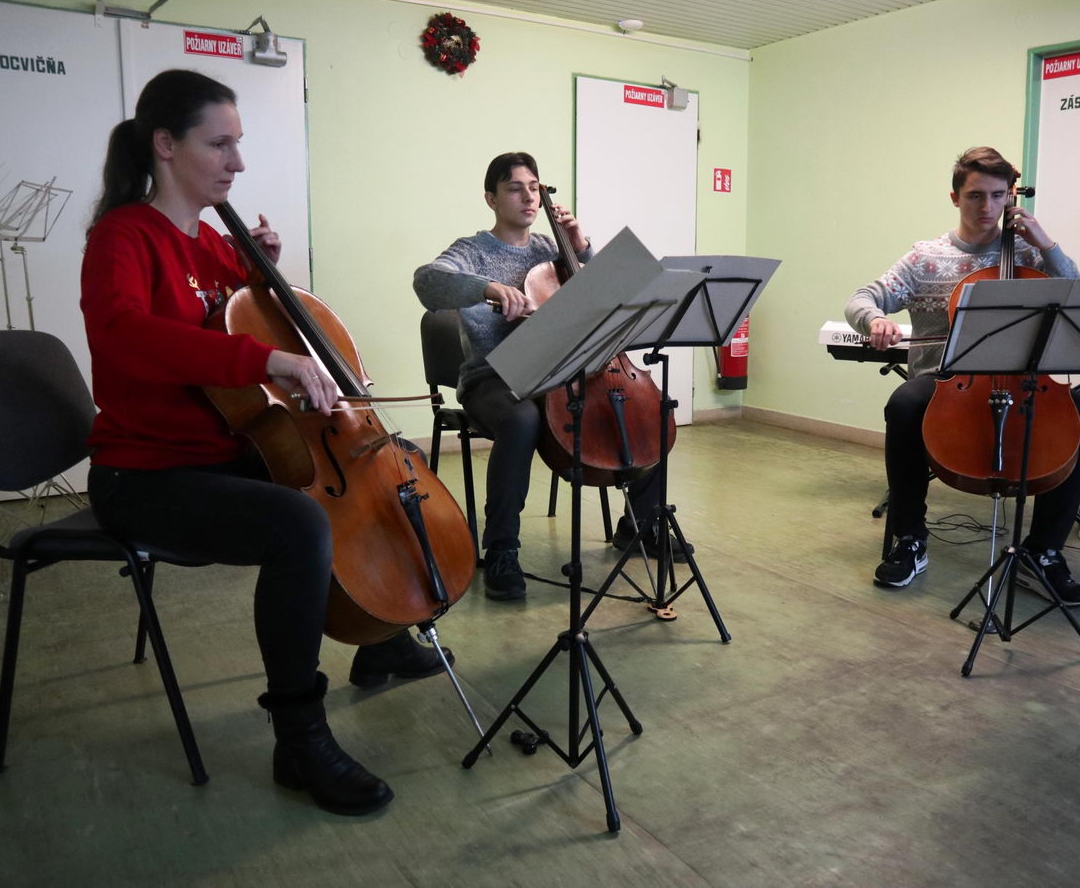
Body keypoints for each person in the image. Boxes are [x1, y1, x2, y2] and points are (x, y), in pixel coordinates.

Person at [80, 69, 448, 816]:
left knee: (342, 484)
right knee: (301, 522)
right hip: (145, 474)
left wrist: (260, 269)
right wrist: (267, 360)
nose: (237, 163)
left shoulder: (213, 244)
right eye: (220, 144)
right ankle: (298, 737)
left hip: (224, 451)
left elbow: (255, 318)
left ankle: (376, 638)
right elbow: (123, 336)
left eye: (238, 144)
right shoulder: (123, 236)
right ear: (165, 145)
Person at [845, 146, 1080, 605]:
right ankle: (910, 539)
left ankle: (1042, 551)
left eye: (999, 196)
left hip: (1025, 382)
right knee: (904, 404)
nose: (988, 208)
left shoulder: (1031, 254)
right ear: (954, 198)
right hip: (947, 382)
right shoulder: (926, 258)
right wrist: (875, 321)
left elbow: (1078, 297)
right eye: (976, 196)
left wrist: (1048, 244)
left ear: (1011, 197)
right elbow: (862, 297)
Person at [413, 152, 677, 601]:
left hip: (563, 370)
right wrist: (487, 287)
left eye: (534, 187)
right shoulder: (472, 250)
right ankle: (501, 548)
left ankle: (641, 522)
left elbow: (601, 299)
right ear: (491, 198)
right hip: (495, 378)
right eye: (515, 188)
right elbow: (428, 281)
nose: (528, 196)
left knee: (646, 409)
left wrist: (579, 245)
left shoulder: (552, 251)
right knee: (521, 420)